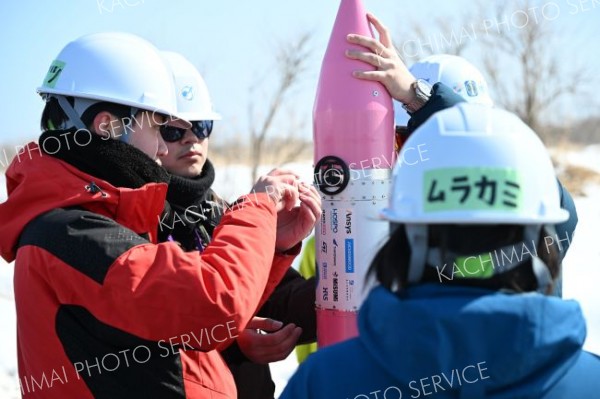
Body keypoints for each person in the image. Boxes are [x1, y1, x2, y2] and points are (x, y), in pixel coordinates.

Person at [281, 14, 599, 399]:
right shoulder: (585, 381)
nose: (412, 157)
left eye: (420, 140)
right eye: (400, 140)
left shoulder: (329, 382)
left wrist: (421, 99)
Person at [0, 32, 319, 399]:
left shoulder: (95, 220)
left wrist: (272, 247)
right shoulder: (71, 232)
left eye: (200, 127)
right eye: (158, 127)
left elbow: (188, 327)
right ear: (108, 126)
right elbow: (213, 301)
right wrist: (257, 207)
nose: (164, 147)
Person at [158, 51, 318, 399]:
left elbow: (281, 302)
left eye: (201, 126)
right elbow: (155, 335)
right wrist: (233, 342)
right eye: (172, 129)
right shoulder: (134, 221)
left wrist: (353, 282)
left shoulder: (220, 213)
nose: (191, 139)